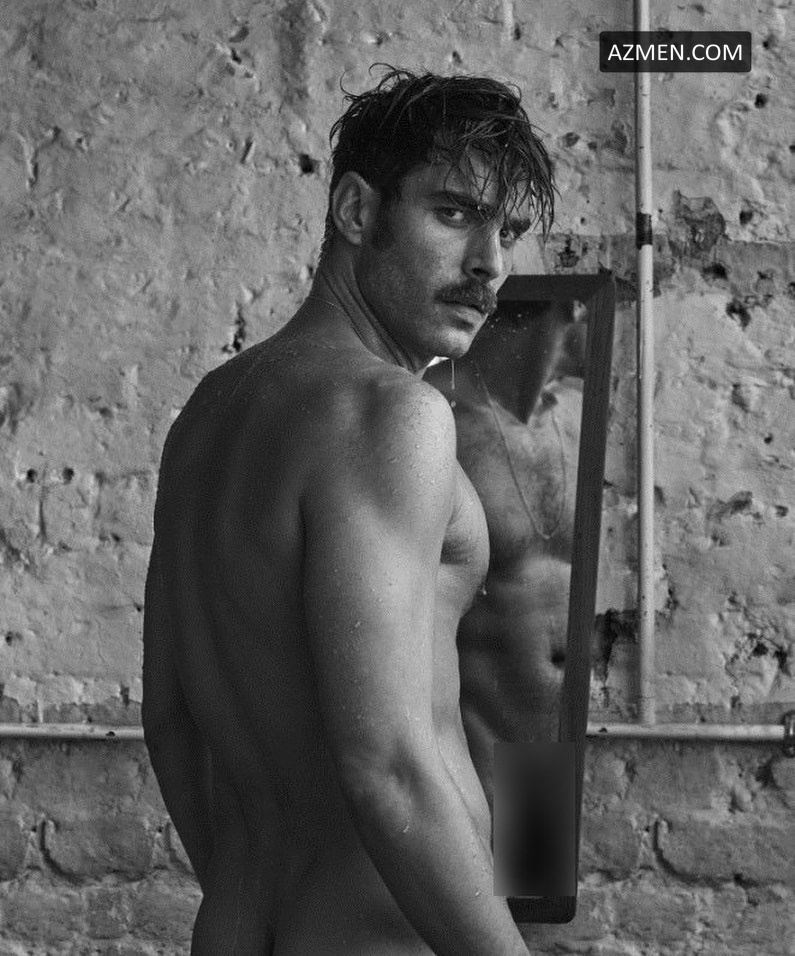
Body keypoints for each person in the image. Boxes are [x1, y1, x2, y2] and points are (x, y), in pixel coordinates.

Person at [142, 66, 555, 955]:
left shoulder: (208, 414)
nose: (489, 265)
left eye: (510, 231)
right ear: (357, 211)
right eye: (454, 213)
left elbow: (170, 724)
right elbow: (387, 771)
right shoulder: (392, 414)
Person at [424, 301, 587, 807]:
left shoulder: (585, 414)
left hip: (553, 748)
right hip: (475, 747)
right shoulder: (433, 417)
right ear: (574, 306)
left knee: (539, 860)